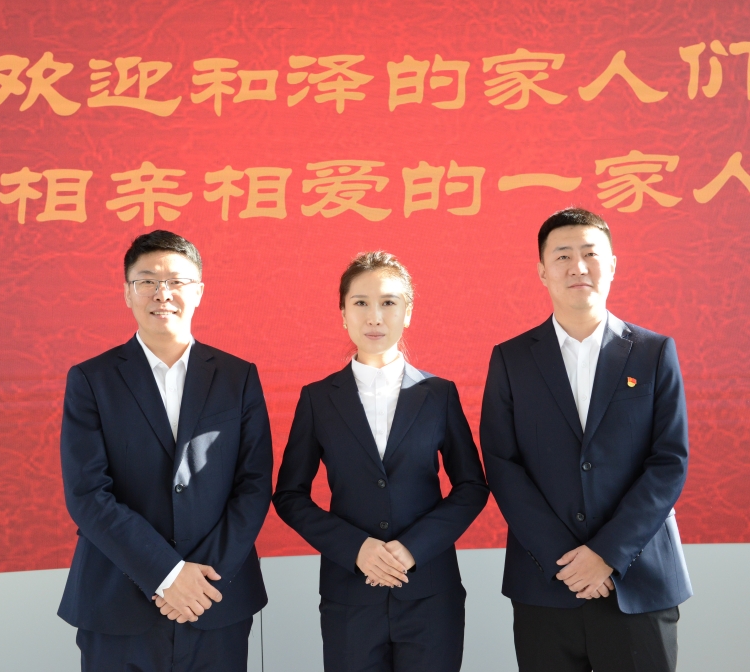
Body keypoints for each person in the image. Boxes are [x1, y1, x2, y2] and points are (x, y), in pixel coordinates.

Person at [480, 208, 692, 672]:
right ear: (542, 271)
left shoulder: (654, 353)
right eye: (562, 256)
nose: (578, 266)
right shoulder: (511, 360)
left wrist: (607, 554)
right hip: (546, 584)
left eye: (590, 254)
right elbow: (502, 463)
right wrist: (565, 560)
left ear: (612, 265)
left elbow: (669, 462)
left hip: (637, 581)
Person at [57, 230, 273, 672]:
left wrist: (198, 581)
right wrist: (167, 574)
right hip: (118, 602)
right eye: (147, 281)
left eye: (176, 281)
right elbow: (87, 494)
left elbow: (253, 486)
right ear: (127, 292)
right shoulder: (91, 380)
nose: (163, 293)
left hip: (216, 599)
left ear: (199, 292)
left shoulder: (238, 377)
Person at [273, 251, 489, 672]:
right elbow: (289, 496)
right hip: (350, 596)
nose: (374, 316)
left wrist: (412, 548)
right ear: (343, 314)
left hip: (430, 593)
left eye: (389, 302)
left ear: (408, 313)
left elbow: (472, 487)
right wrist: (356, 548)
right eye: (361, 303)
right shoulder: (318, 399)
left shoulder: (439, 394)